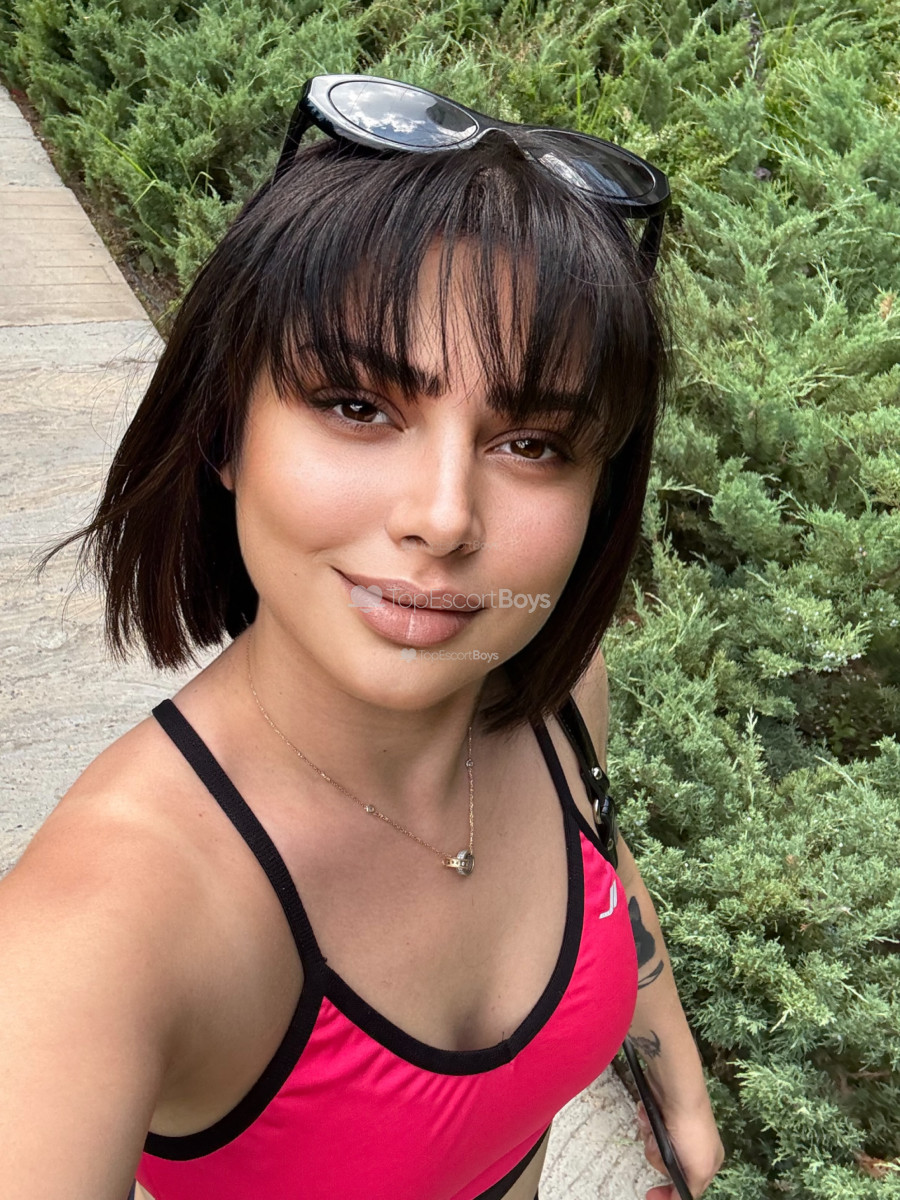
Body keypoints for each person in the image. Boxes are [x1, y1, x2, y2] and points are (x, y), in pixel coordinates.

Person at [0, 75, 724, 1200]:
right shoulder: (100, 930)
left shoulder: (558, 694)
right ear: (224, 429)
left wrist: (678, 1083)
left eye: (532, 442)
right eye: (358, 406)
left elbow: (601, 850)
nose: (443, 517)